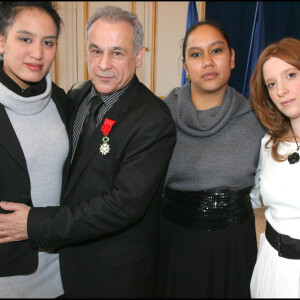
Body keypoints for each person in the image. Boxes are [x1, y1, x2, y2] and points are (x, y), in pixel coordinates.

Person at [0, 5, 176, 298]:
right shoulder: (74, 95)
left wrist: (35, 223)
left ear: (139, 56)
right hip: (58, 269)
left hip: (114, 275)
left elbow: (123, 205)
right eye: (95, 51)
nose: (103, 64)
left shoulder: (153, 119)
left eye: (117, 53)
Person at [156, 20, 265, 298]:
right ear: (185, 66)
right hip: (175, 245)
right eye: (195, 54)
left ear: (232, 58)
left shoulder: (257, 118)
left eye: (216, 51)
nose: (207, 62)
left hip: (235, 248)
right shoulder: (158, 118)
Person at [0, 1, 68, 298]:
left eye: (48, 42)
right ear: (1, 41)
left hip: (64, 272)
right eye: (25, 39)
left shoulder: (64, 101)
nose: (38, 53)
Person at [249, 37, 300, 298]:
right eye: (271, 84)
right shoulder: (269, 143)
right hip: (270, 267)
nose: (280, 90)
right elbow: (255, 194)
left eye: (290, 75)